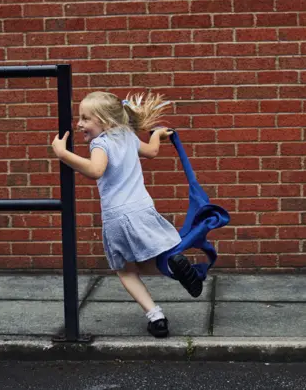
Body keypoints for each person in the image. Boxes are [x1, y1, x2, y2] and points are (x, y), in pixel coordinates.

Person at [50, 91, 202, 338]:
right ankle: (176, 267)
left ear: (106, 122)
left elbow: (95, 170)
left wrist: (63, 153)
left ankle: (156, 316)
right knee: (149, 259)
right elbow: (152, 152)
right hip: (143, 208)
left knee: (125, 270)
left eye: (86, 119)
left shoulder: (101, 143)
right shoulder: (128, 136)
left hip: (118, 215)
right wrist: (157, 135)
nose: (79, 124)